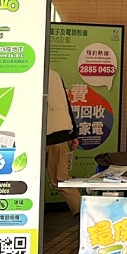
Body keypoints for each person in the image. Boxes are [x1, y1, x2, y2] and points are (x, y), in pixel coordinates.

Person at [46, 69, 81, 215]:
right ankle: (83, 214)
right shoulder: (54, 74)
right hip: (59, 134)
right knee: (60, 180)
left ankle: (83, 213)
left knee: (27, 177)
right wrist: (73, 134)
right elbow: (66, 104)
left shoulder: (26, 72)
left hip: (38, 135)